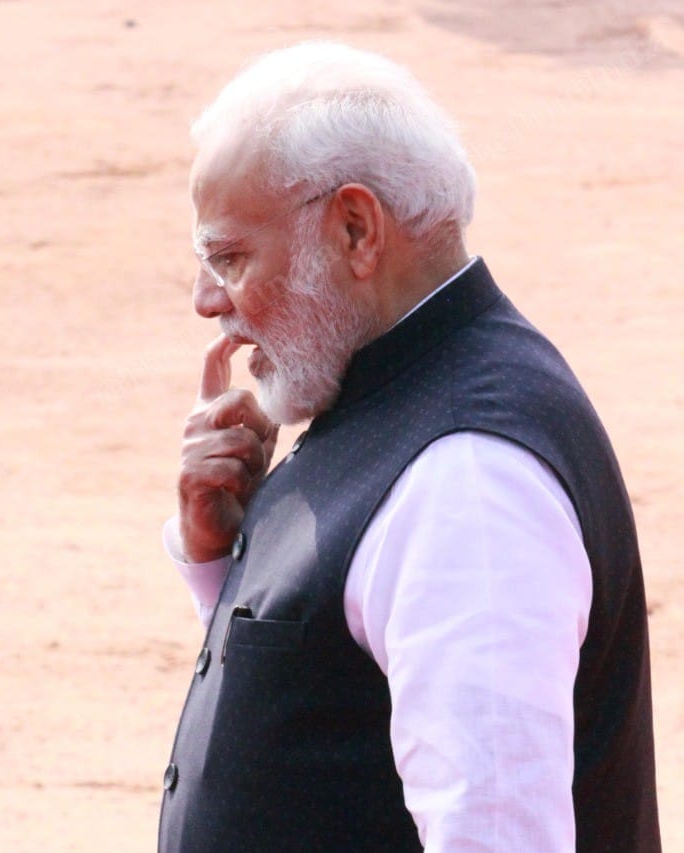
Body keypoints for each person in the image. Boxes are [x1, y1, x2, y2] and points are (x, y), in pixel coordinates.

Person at [159, 42, 659, 852]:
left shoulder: (470, 479)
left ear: (356, 230)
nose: (206, 300)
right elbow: (329, 714)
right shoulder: (393, 388)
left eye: (230, 258)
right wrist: (226, 556)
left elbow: (497, 834)